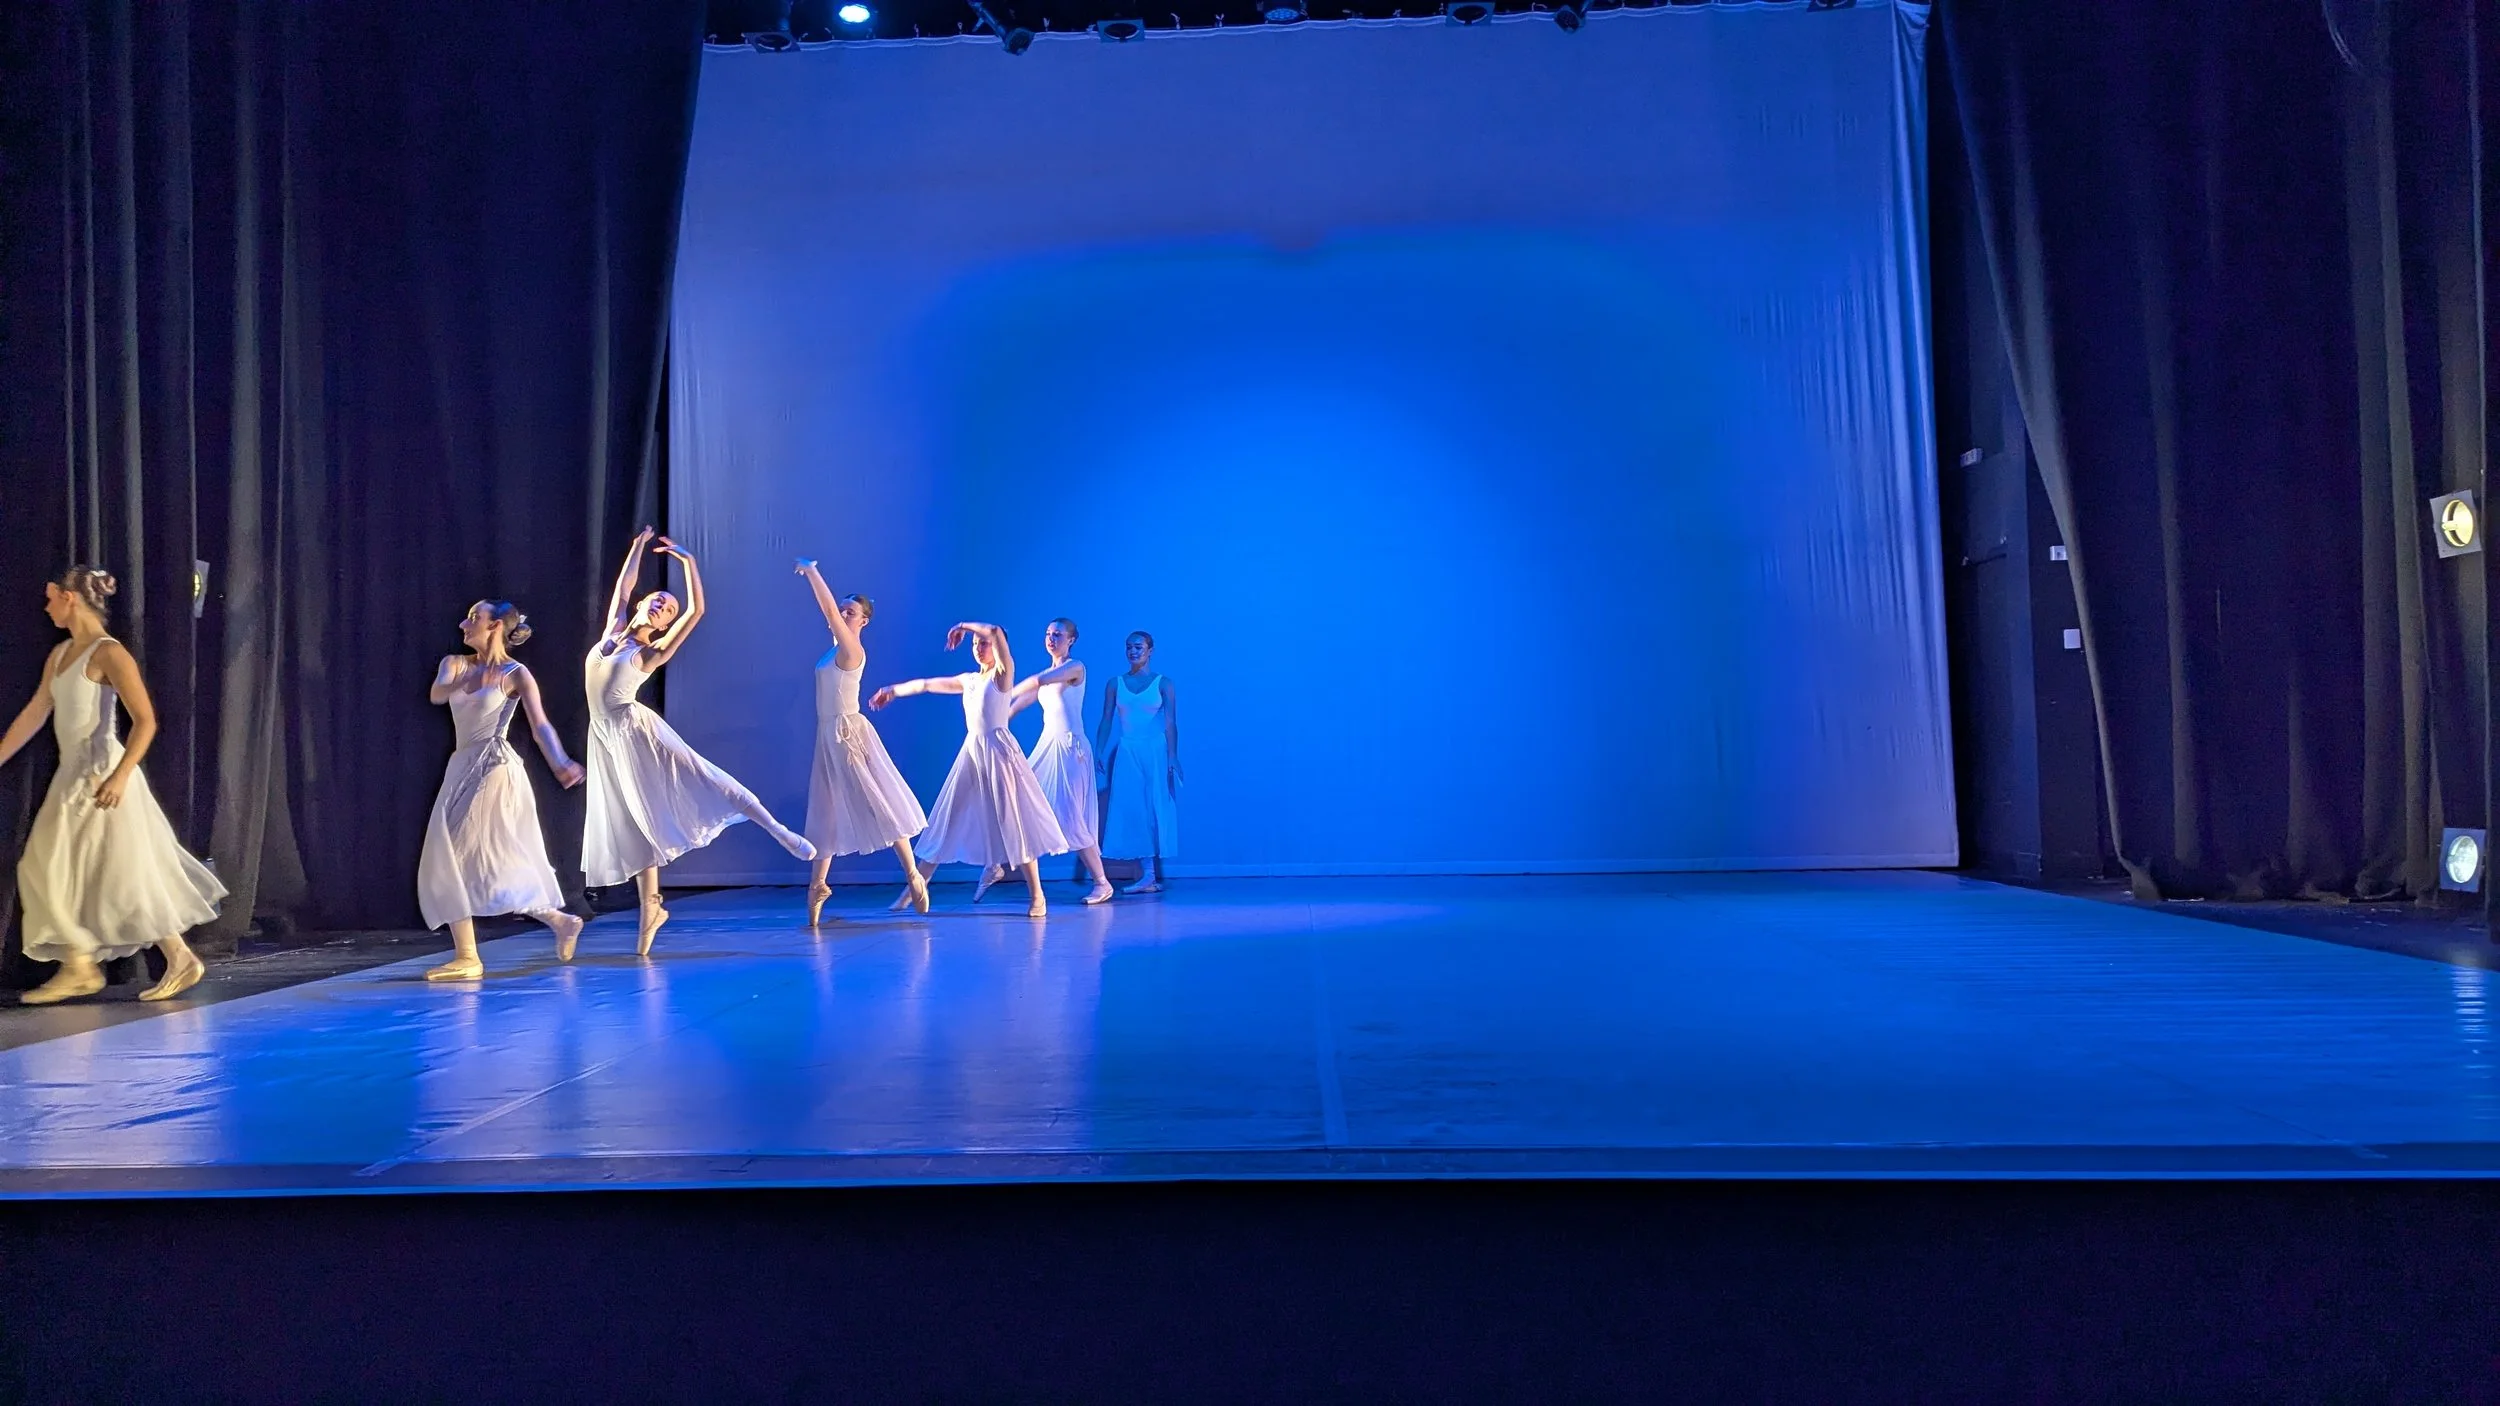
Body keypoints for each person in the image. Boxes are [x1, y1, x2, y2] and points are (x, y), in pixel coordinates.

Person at [584, 528, 813, 954]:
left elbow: (696, 611)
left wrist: (688, 563)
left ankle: (777, 829)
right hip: (604, 738)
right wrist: (636, 547)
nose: (662, 606)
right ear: (643, 605)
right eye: (658, 600)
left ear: (664, 625)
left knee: (705, 777)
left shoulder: (649, 653)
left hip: (636, 731)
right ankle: (651, 908)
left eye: (668, 609)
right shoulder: (613, 631)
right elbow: (623, 587)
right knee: (635, 819)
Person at [0, 566, 221, 1004]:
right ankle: (156, 958)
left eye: (52, 598)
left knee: (64, 867)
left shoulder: (108, 652)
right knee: (104, 873)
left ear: (70, 598)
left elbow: (145, 721)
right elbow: (36, 712)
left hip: (102, 773)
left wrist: (120, 776)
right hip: (72, 774)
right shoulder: (61, 654)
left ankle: (83, 964)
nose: (46, 607)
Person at [417, 601, 588, 981]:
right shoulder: (454, 664)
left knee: (455, 851)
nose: (464, 624)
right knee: (478, 858)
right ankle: (558, 920)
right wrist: (467, 680)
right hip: (461, 765)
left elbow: (540, 726)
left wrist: (561, 762)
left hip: (495, 766)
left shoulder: (516, 673)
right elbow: (437, 694)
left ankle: (468, 956)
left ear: (495, 626)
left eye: (473, 618)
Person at [870, 622, 1066, 918]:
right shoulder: (969, 680)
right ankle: (914, 889)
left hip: (999, 752)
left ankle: (1037, 895)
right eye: (975, 644)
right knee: (948, 819)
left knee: (1013, 821)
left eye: (983, 643)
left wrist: (962, 625)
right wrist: (892, 690)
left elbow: (996, 631)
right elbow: (926, 684)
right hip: (972, 752)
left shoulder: (1002, 675)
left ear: (997, 647)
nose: (978, 647)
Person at [793, 559, 929, 926]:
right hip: (828, 734)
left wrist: (812, 572)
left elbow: (826, 610)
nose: (841, 614)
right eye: (842, 610)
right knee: (824, 809)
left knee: (876, 801)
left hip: (847, 733)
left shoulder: (851, 650)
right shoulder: (832, 651)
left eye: (849, 612)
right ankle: (817, 886)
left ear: (863, 622)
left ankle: (913, 874)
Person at [993, 617, 1112, 905]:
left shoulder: (1075, 667)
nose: (1051, 638)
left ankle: (1102, 883)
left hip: (1070, 750)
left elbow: (1036, 682)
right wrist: (993, 718)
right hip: (1048, 746)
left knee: (1070, 816)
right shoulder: (1048, 674)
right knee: (1019, 799)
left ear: (1071, 640)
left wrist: (1004, 690)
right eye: (1048, 633)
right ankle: (995, 864)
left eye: (1058, 634)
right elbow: (1015, 708)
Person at [1096, 630, 1180, 894]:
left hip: (1154, 751)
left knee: (1154, 806)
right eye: (1129, 647)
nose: (1133, 652)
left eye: (1138, 647)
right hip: (1128, 750)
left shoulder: (1163, 683)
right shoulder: (1115, 683)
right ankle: (1147, 875)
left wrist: (1173, 756)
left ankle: (1150, 875)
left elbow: (1170, 723)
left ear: (1150, 650)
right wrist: (1099, 750)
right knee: (1132, 807)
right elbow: (1107, 718)